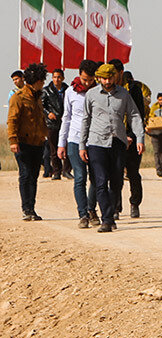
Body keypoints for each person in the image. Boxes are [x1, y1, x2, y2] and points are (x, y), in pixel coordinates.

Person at [79, 63, 144, 233]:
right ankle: (106, 219)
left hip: (117, 143)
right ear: (98, 78)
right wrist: (82, 145)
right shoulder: (91, 95)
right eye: (104, 78)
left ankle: (111, 213)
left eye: (110, 78)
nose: (107, 81)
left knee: (116, 182)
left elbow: (134, 116)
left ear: (116, 77)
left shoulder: (124, 95)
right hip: (96, 143)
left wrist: (140, 138)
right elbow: (85, 120)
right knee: (100, 181)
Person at [57, 60, 101, 228]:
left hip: (95, 140)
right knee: (80, 177)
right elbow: (66, 118)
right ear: (79, 75)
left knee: (97, 178)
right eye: (84, 80)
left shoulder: (99, 92)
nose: (87, 83)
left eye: (90, 80)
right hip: (75, 139)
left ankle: (92, 209)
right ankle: (82, 214)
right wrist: (62, 143)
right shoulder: (70, 92)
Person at [8, 63, 48, 220]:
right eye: (42, 81)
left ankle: (32, 208)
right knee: (25, 175)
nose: (43, 83)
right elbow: (12, 120)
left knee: (33, 176)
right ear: (36, 81)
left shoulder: (38, 97)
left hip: (37, 143)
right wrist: (13, 140)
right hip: (23, 142)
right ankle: (26, 209)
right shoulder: (18, 98)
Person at [114, 61, 149, 219]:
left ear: (121, 72)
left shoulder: (134, 89)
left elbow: (138, 114)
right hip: (115, 137)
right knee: (115, 173)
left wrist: (133, 136)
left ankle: (135, 203)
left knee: (133, 172)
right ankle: (115, 207)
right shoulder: (109, 90)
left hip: (132, 137)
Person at [42, 68, 71, 180]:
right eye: (54, 77)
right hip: (52, 124)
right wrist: (48, 113)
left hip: (65, 122)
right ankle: (56, 171)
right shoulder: (46, 91)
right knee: (53, 149)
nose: (57, 79)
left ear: (62, 78)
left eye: (59, 77)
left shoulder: (68, 90)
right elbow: (41, 105)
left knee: (68, 147)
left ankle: (67, 170)